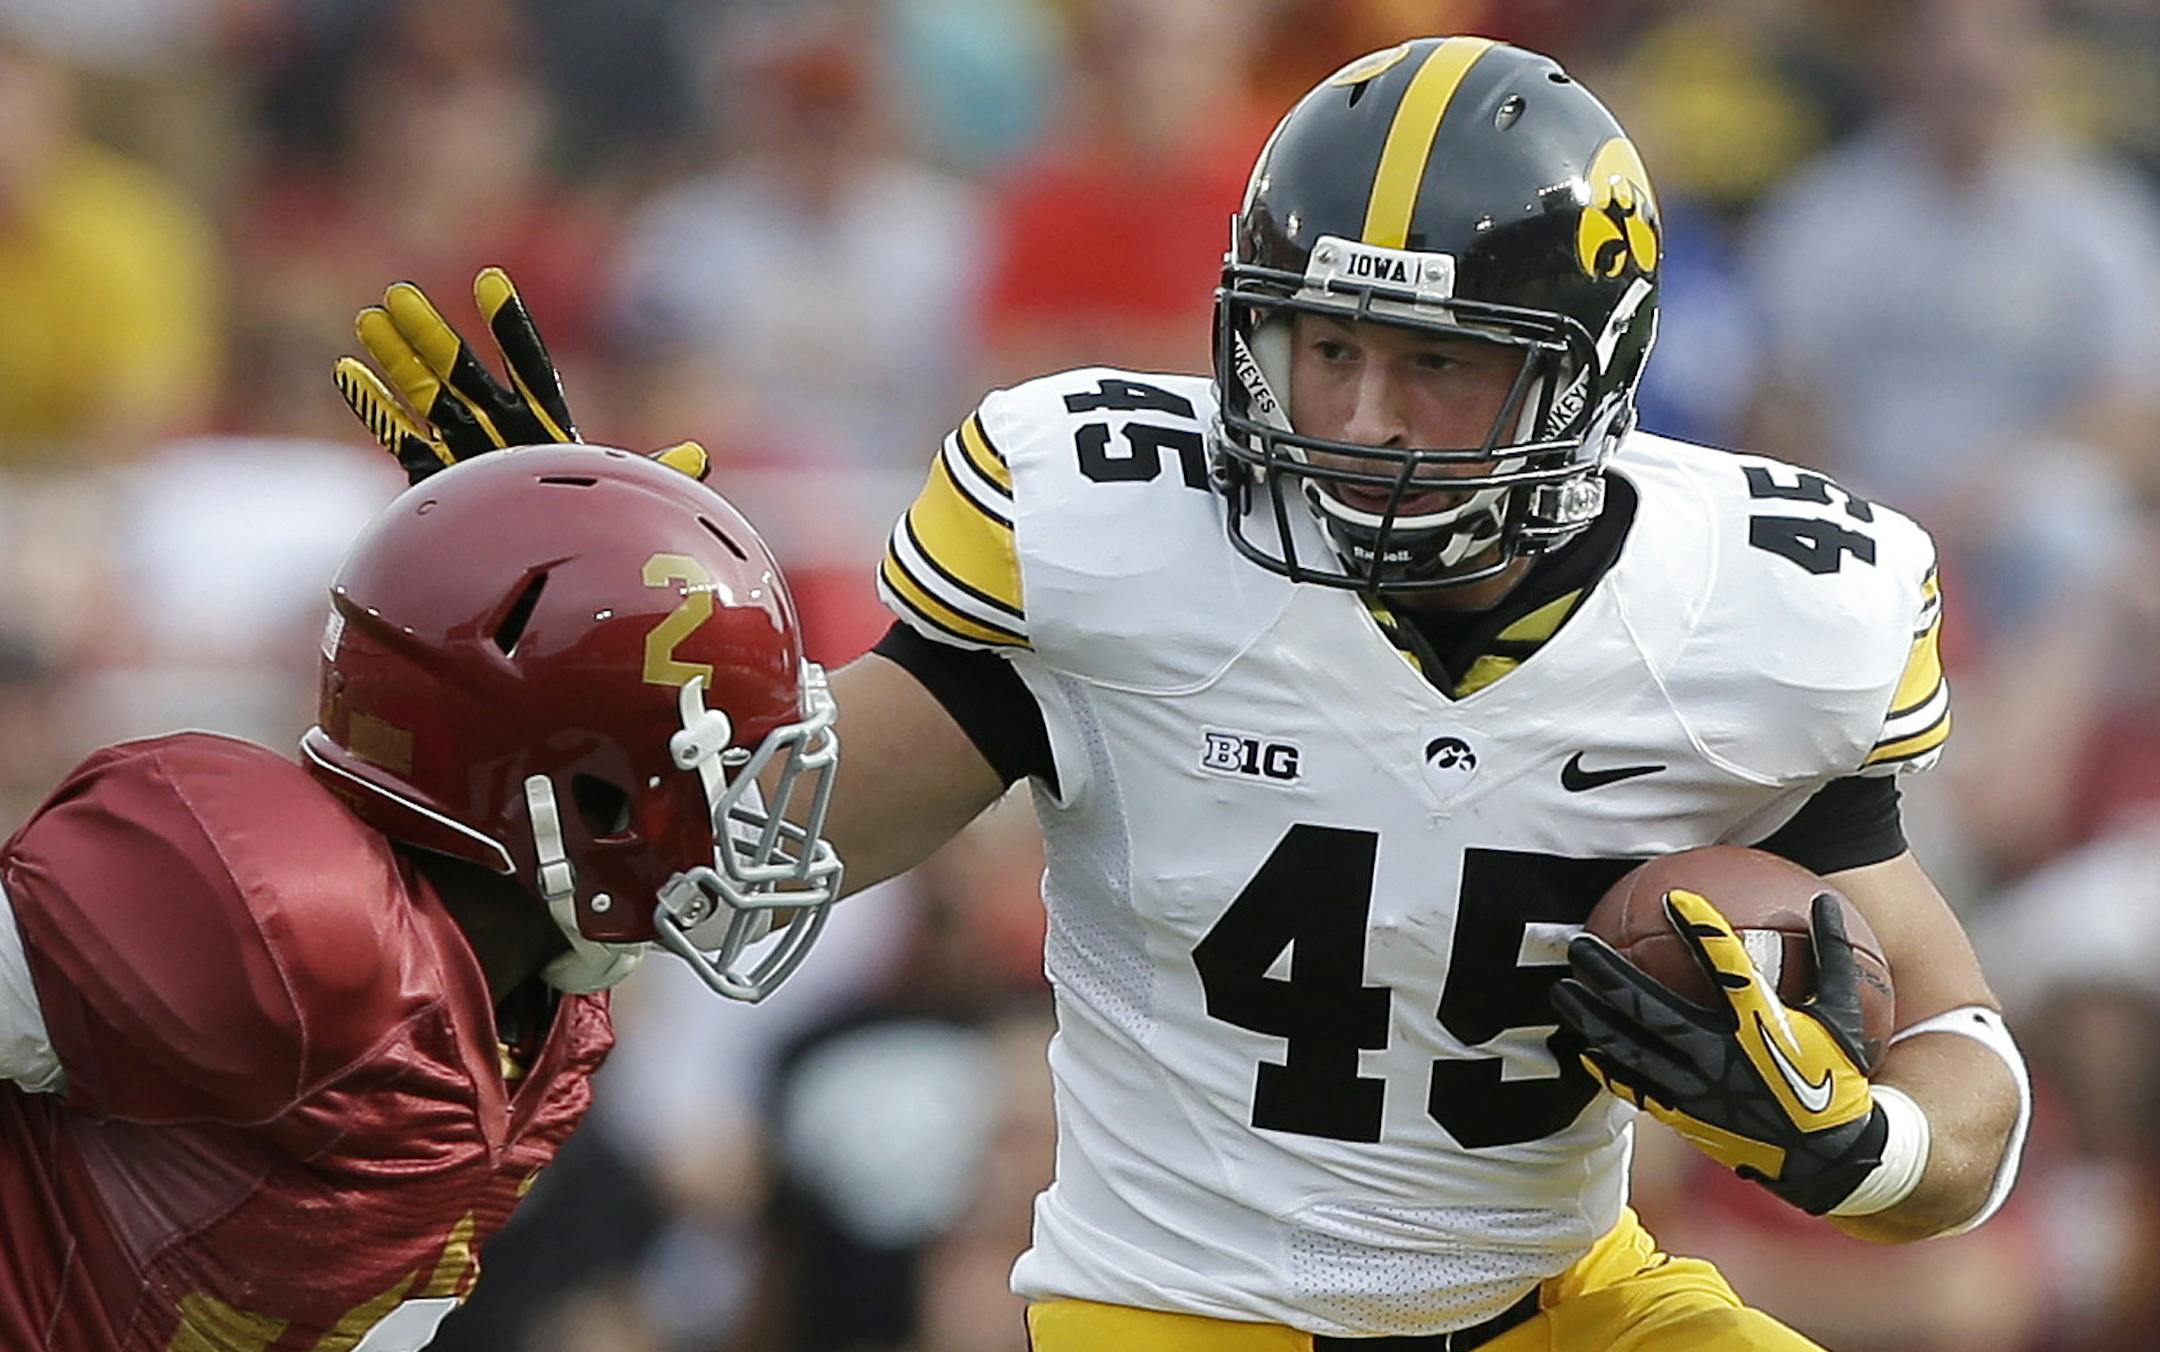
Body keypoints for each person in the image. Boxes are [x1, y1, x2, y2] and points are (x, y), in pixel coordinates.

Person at [335, 38, 2030, 1350]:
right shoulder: (1112, 526)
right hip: (1182, 1312)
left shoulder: (1769, 607)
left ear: (1584, 378)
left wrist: (1857, 1148)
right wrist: (591, 647)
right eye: (1325, 345)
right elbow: (784, 844)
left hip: (1566, 1297)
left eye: (1437, 361)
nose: (1360, 414)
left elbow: (1961, 1048)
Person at [0, 290, 845, 1348]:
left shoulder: (546, 1024)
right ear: (586, 801)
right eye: (716, 769)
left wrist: (557, 542)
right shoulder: (285, 922)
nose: (745, 820)